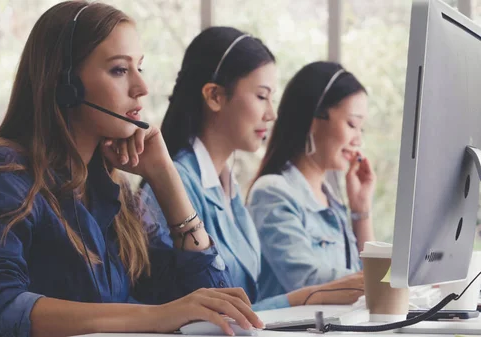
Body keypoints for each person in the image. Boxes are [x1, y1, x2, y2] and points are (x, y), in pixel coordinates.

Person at [0, 2, 263, 337]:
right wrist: (155, 317)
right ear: (66, 85)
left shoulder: (108, 189)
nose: (142, 87)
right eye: (120, 70)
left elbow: (216, 307)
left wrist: (165, 177)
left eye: (140, 67)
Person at [140, 28, 364, 311]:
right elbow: (203, 318)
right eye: (261, 96)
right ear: (215, 96)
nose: (271, 114)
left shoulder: (228, 190)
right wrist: (311, 295)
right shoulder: (172, 188)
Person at [247, 61, 375, 301]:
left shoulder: (332, 203)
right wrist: (384, 282)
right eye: (352, 124)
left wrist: (361, 210)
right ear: (313, 119)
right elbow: (308, 282)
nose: (358, 139)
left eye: (361, 129)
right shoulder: (273, 193)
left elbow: (363, 279)